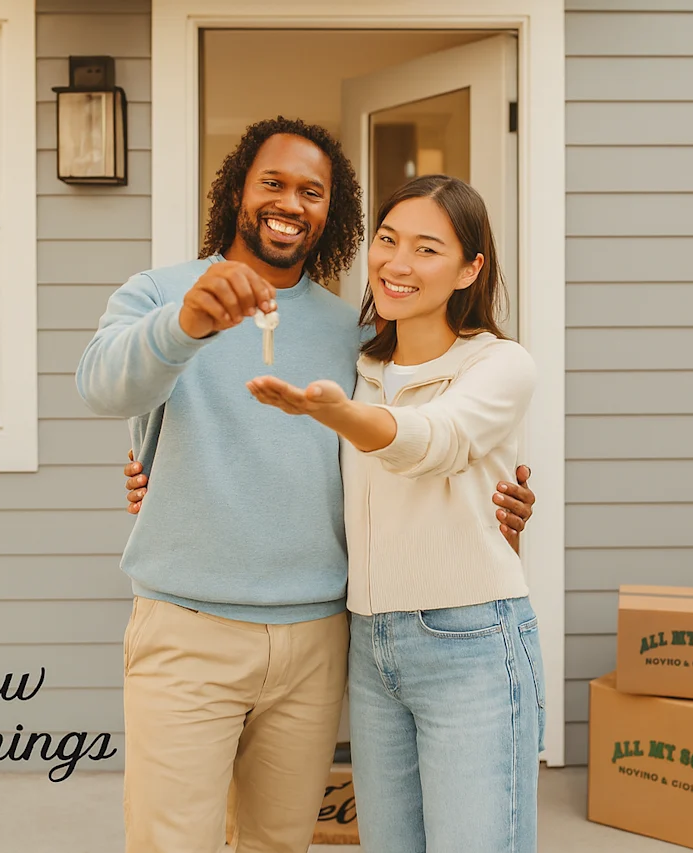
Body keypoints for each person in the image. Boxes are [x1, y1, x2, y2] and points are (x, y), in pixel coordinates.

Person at [75, 116, 536, 853]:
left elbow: (409, 445)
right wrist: (185, 324)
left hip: (319, 636)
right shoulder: (159, 293)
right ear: (238, 192)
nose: (291, 202)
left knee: (281, 841)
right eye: (274, 183)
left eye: (312, 191)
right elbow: (103, 388)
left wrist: (498, 500)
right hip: (188, 628)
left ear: (332, 211)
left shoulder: (354, 334)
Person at [245, 174, 544, 852]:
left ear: (472, 268)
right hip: (370, 647)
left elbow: (436, 442)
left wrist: (344, 414)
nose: (397, 264)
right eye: (387, 240)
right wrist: (151, 480)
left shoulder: (500, 364)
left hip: (470, 642)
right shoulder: (356, 365)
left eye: (427, 249)